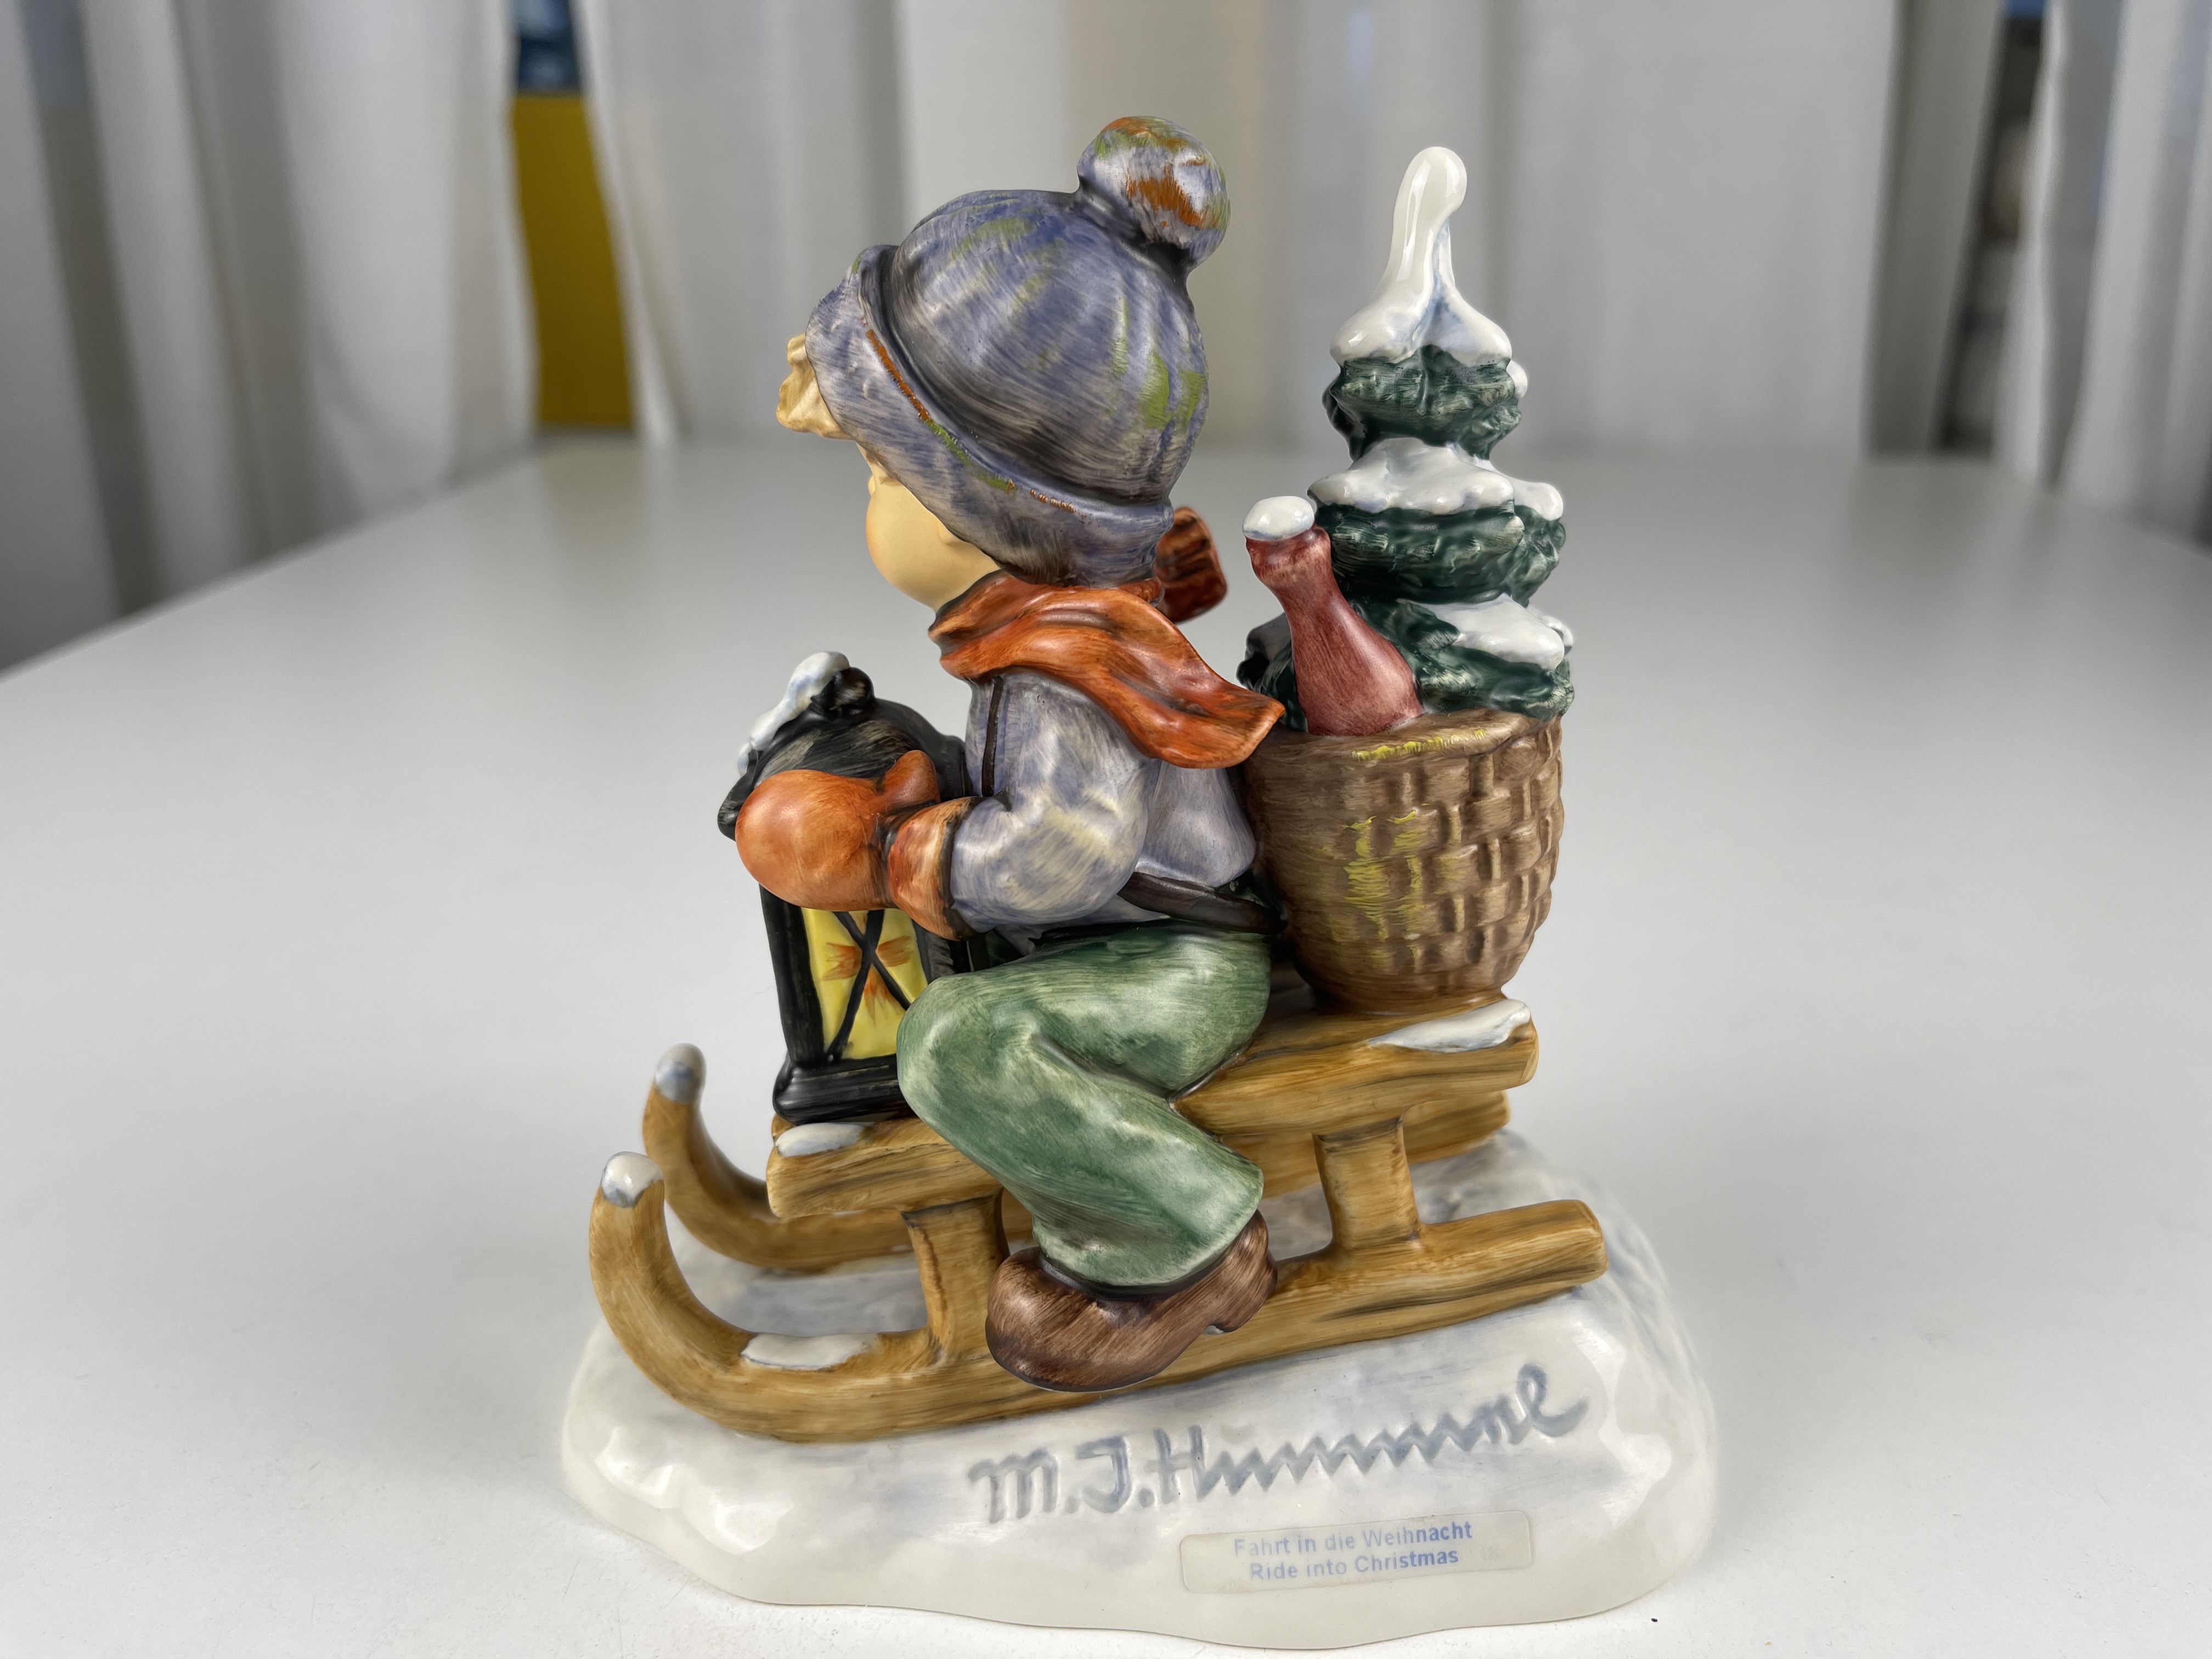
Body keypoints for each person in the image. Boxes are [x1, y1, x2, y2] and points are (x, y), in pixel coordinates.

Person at [733, 118, 1286, 1392]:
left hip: (1178, 969)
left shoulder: (1059, 672)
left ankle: (1186, 1237)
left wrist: (902, 852)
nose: (872, 502)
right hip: (1118, 952)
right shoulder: (1037, 639)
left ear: (975, 510)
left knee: (957, 1044)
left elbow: (1067, 850)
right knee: (958, 1007)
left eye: (881, 475)